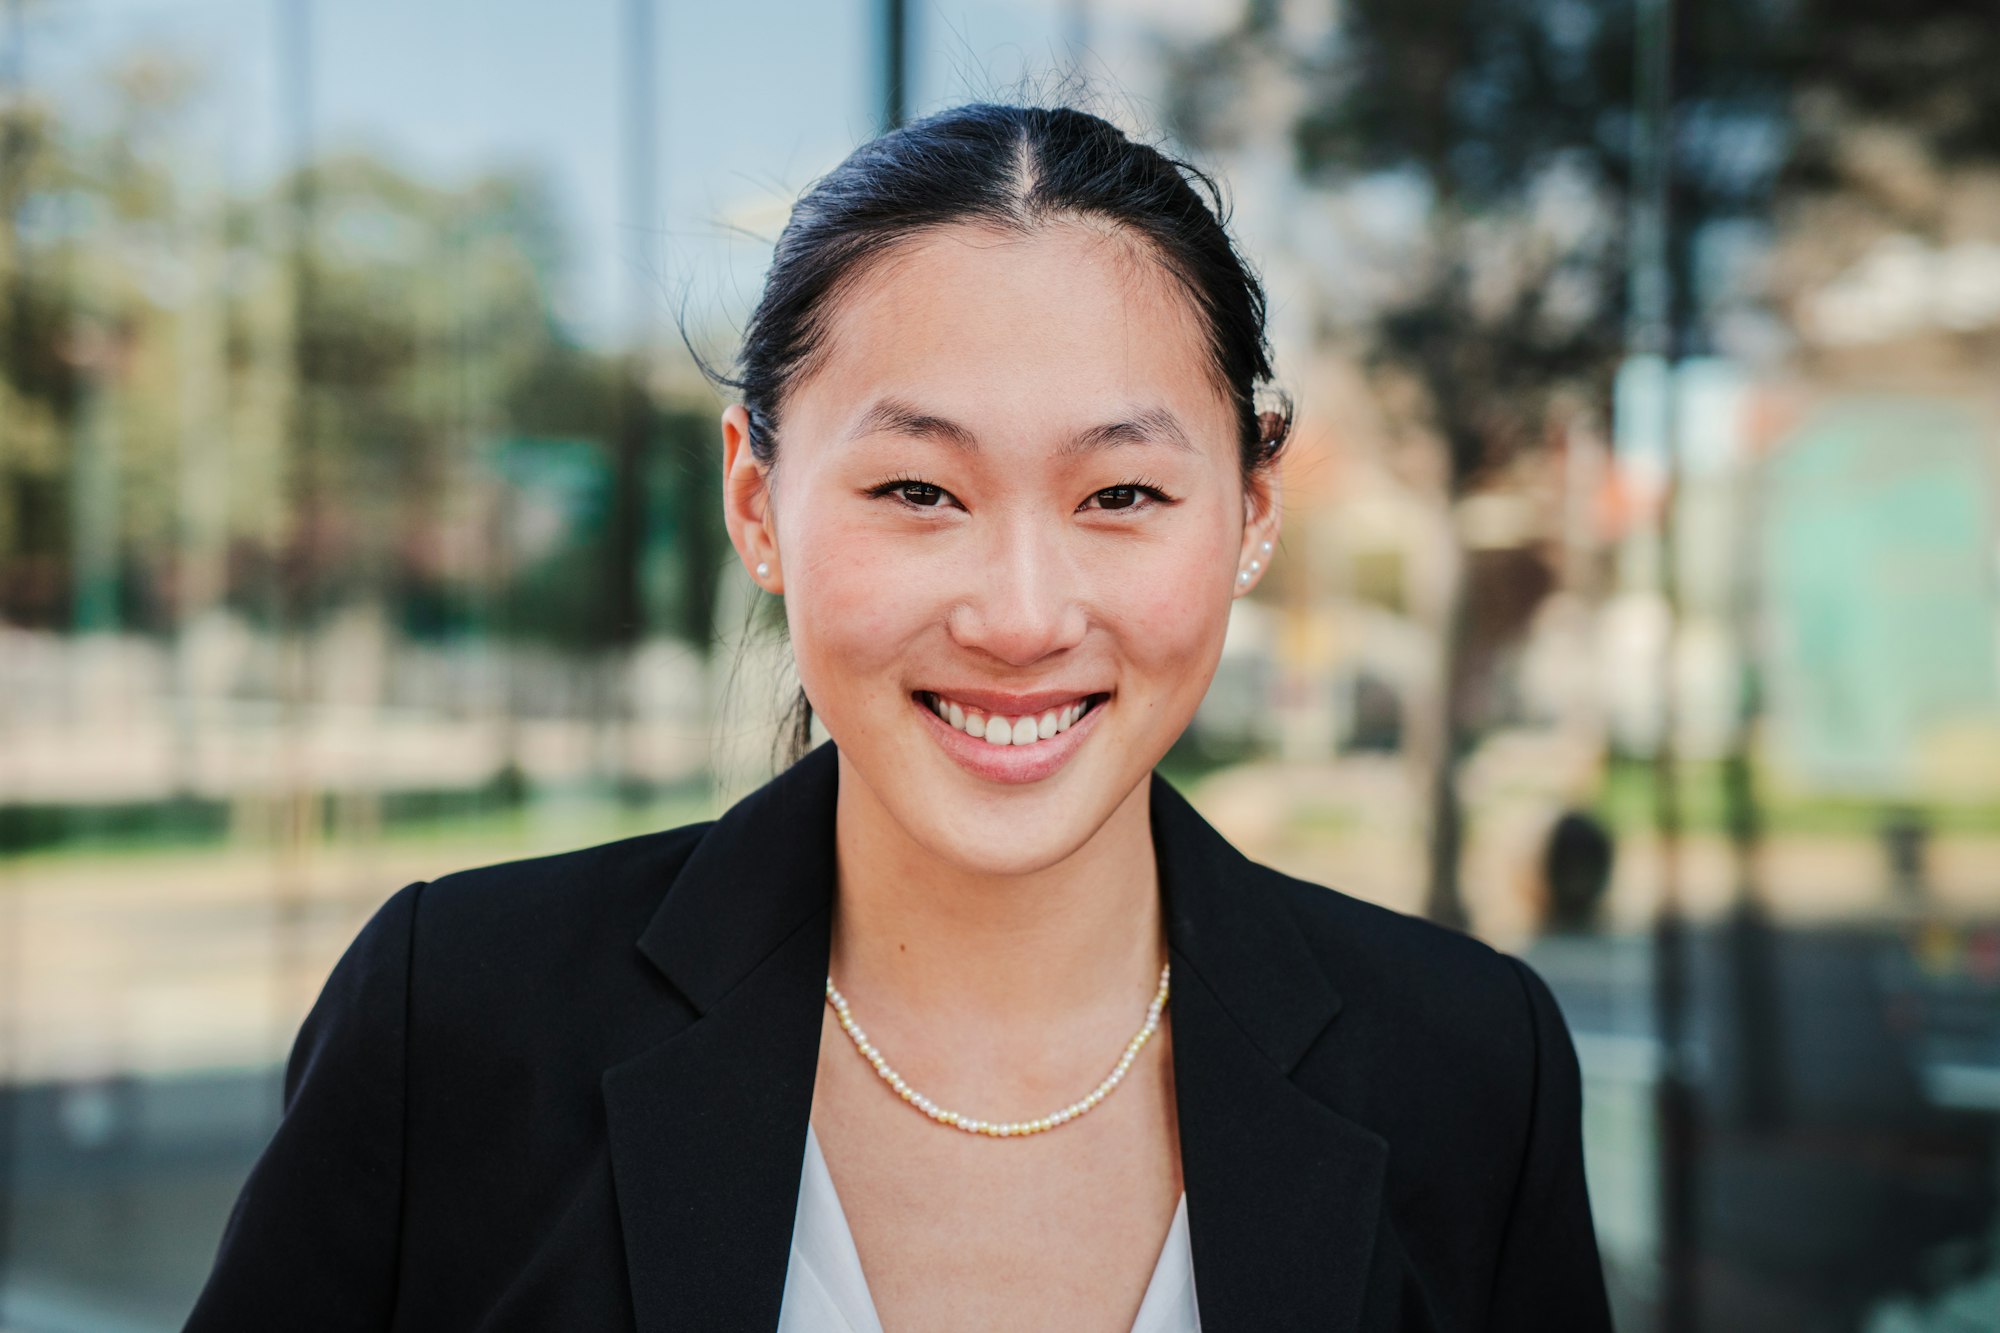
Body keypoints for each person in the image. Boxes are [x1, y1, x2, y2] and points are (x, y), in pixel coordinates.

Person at [185, 102, 1612, 1332]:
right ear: (757, 501)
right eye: (919, 491)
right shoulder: (460, 1022)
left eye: (1121, 494)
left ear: (1250, 511)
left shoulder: (1472, 1070)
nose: (1021, 614)